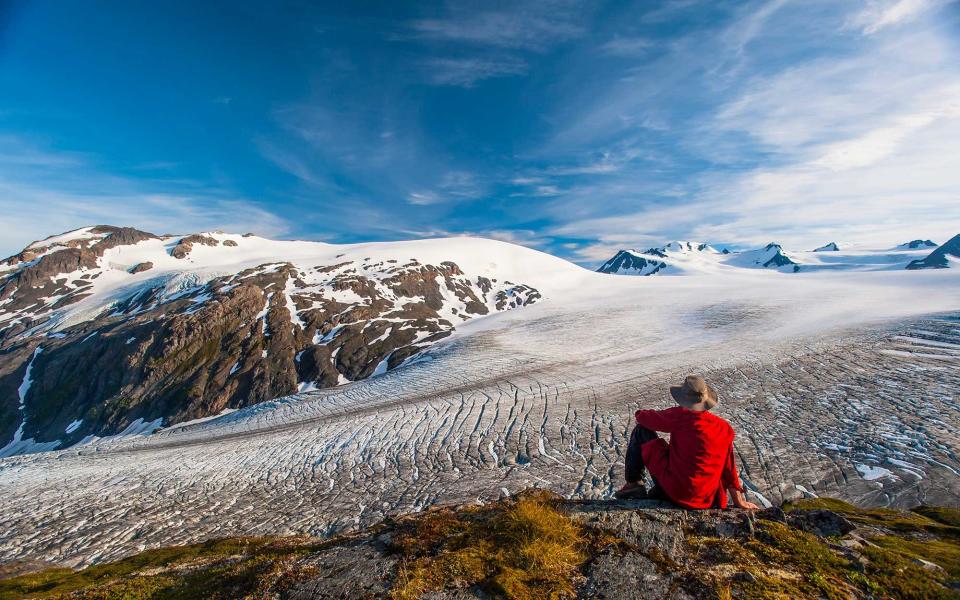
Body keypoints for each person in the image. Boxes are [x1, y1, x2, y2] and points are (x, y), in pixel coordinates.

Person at [615, 375, 760, 510]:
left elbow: (643, 418)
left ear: (683, 399)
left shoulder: (680, 417)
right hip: (706, 499)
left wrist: (642, 413)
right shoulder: (724, 428)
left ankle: (634, 484)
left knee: (642, 431)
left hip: (677, 493)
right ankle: (655, 489)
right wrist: (739, 501)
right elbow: (729, 467)